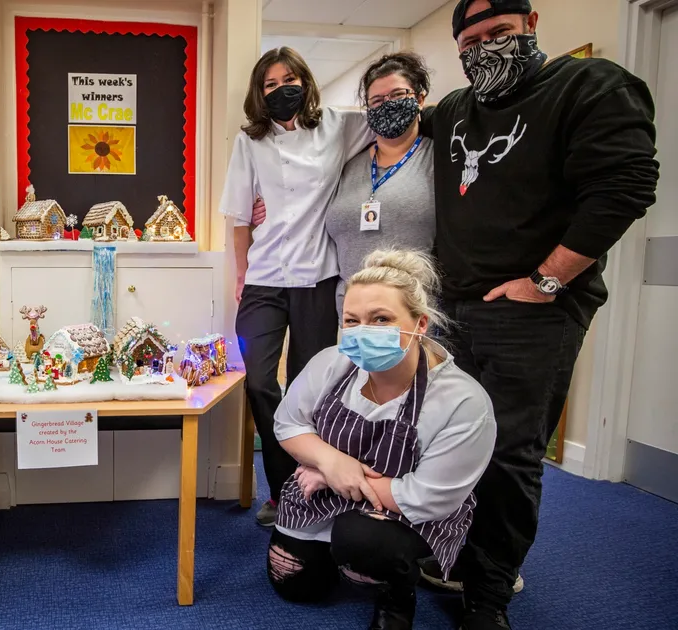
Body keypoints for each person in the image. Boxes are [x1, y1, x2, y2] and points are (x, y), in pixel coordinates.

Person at [417, 2, 659, 628]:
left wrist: (546, 280)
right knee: (450, 441)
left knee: (508, 454)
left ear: (531, 24)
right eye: (470, 41)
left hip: (531, 312)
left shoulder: (590, 86)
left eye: (498, 33)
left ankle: (488, 594)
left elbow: (626, 187)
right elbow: (392, 124)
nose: (484, 48)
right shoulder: (456, 110)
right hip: (453, 309)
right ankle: (454, 554)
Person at [268, 249, 495, 630]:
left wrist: (335, 476)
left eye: (381, 319)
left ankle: (397, 593)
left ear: (420, 324)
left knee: (363, 543)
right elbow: (288, 424)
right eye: (352, 321)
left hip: (403, 511)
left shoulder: (463, 401)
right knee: (295, 584)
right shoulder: (331, 363)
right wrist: (331, 462)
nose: (363, 332)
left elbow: (428, 496)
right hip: (326, 492)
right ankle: (343, 556)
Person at [219, 47, 373, 526]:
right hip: (264, 277)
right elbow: (239, 217)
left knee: (311, 386)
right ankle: (281, 484)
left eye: (289, 79)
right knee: (261, 382)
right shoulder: (251, 141)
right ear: (259, 92)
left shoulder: (337, 125)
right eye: (270, 84)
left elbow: (391, 122)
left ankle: (308, 485)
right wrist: (241, 275)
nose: (281, 89)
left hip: (317, 277)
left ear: (305, 82)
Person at [326, 52, 435, 316]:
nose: (387, 105)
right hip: (352, 316)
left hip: (412, 316)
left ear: (420, 99)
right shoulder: (349, 165)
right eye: (377, 100)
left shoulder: (437, 159)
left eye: (398, 95)